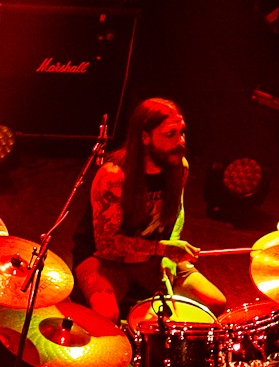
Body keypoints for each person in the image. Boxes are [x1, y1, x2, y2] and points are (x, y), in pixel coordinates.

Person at [75, 98, 226, 324]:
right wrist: (161, 248)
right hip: (103, 258)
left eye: (182, 132)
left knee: (216, 302)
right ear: (145, 137)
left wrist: (169, 255)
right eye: (170, 134)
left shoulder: (179, 167)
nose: (180, 141)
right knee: (106, 317)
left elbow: (178, 212)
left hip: (153, 255)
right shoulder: (113, 176)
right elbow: (106, 243)